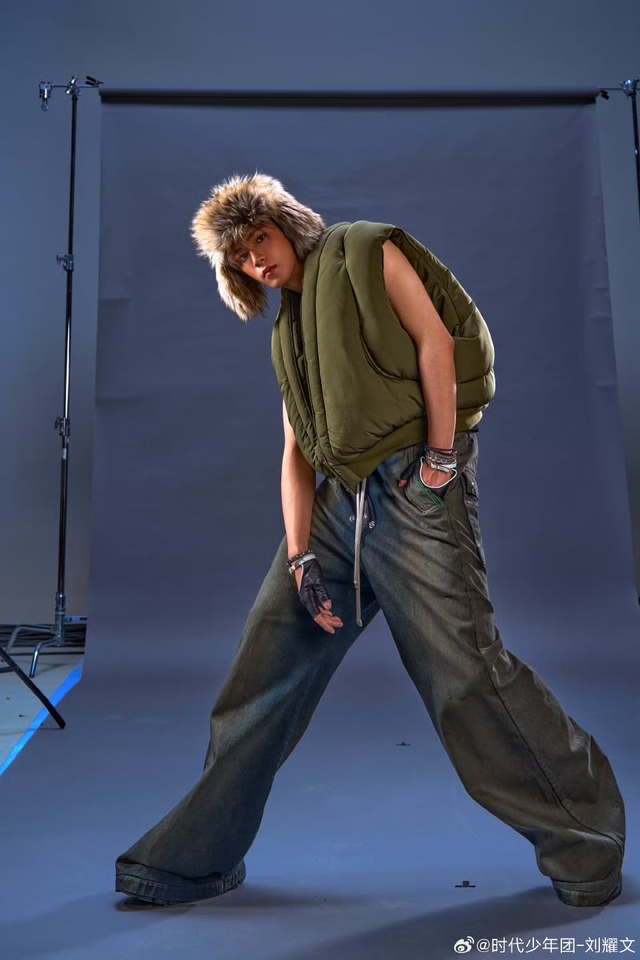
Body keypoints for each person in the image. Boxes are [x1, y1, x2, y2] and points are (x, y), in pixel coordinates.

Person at [115, 173, 624, 909]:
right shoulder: (288, 333)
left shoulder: (363, 247)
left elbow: (435, 342)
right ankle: (194, 858)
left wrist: (440, 462)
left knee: (466, 680)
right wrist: (300, 555)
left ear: (286, 225)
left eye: (260, 238)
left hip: (412, 485)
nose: (257, 260)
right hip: (338, 503)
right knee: (260, 675)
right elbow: (295, 451)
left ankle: (588, 842)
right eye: (240, 257)